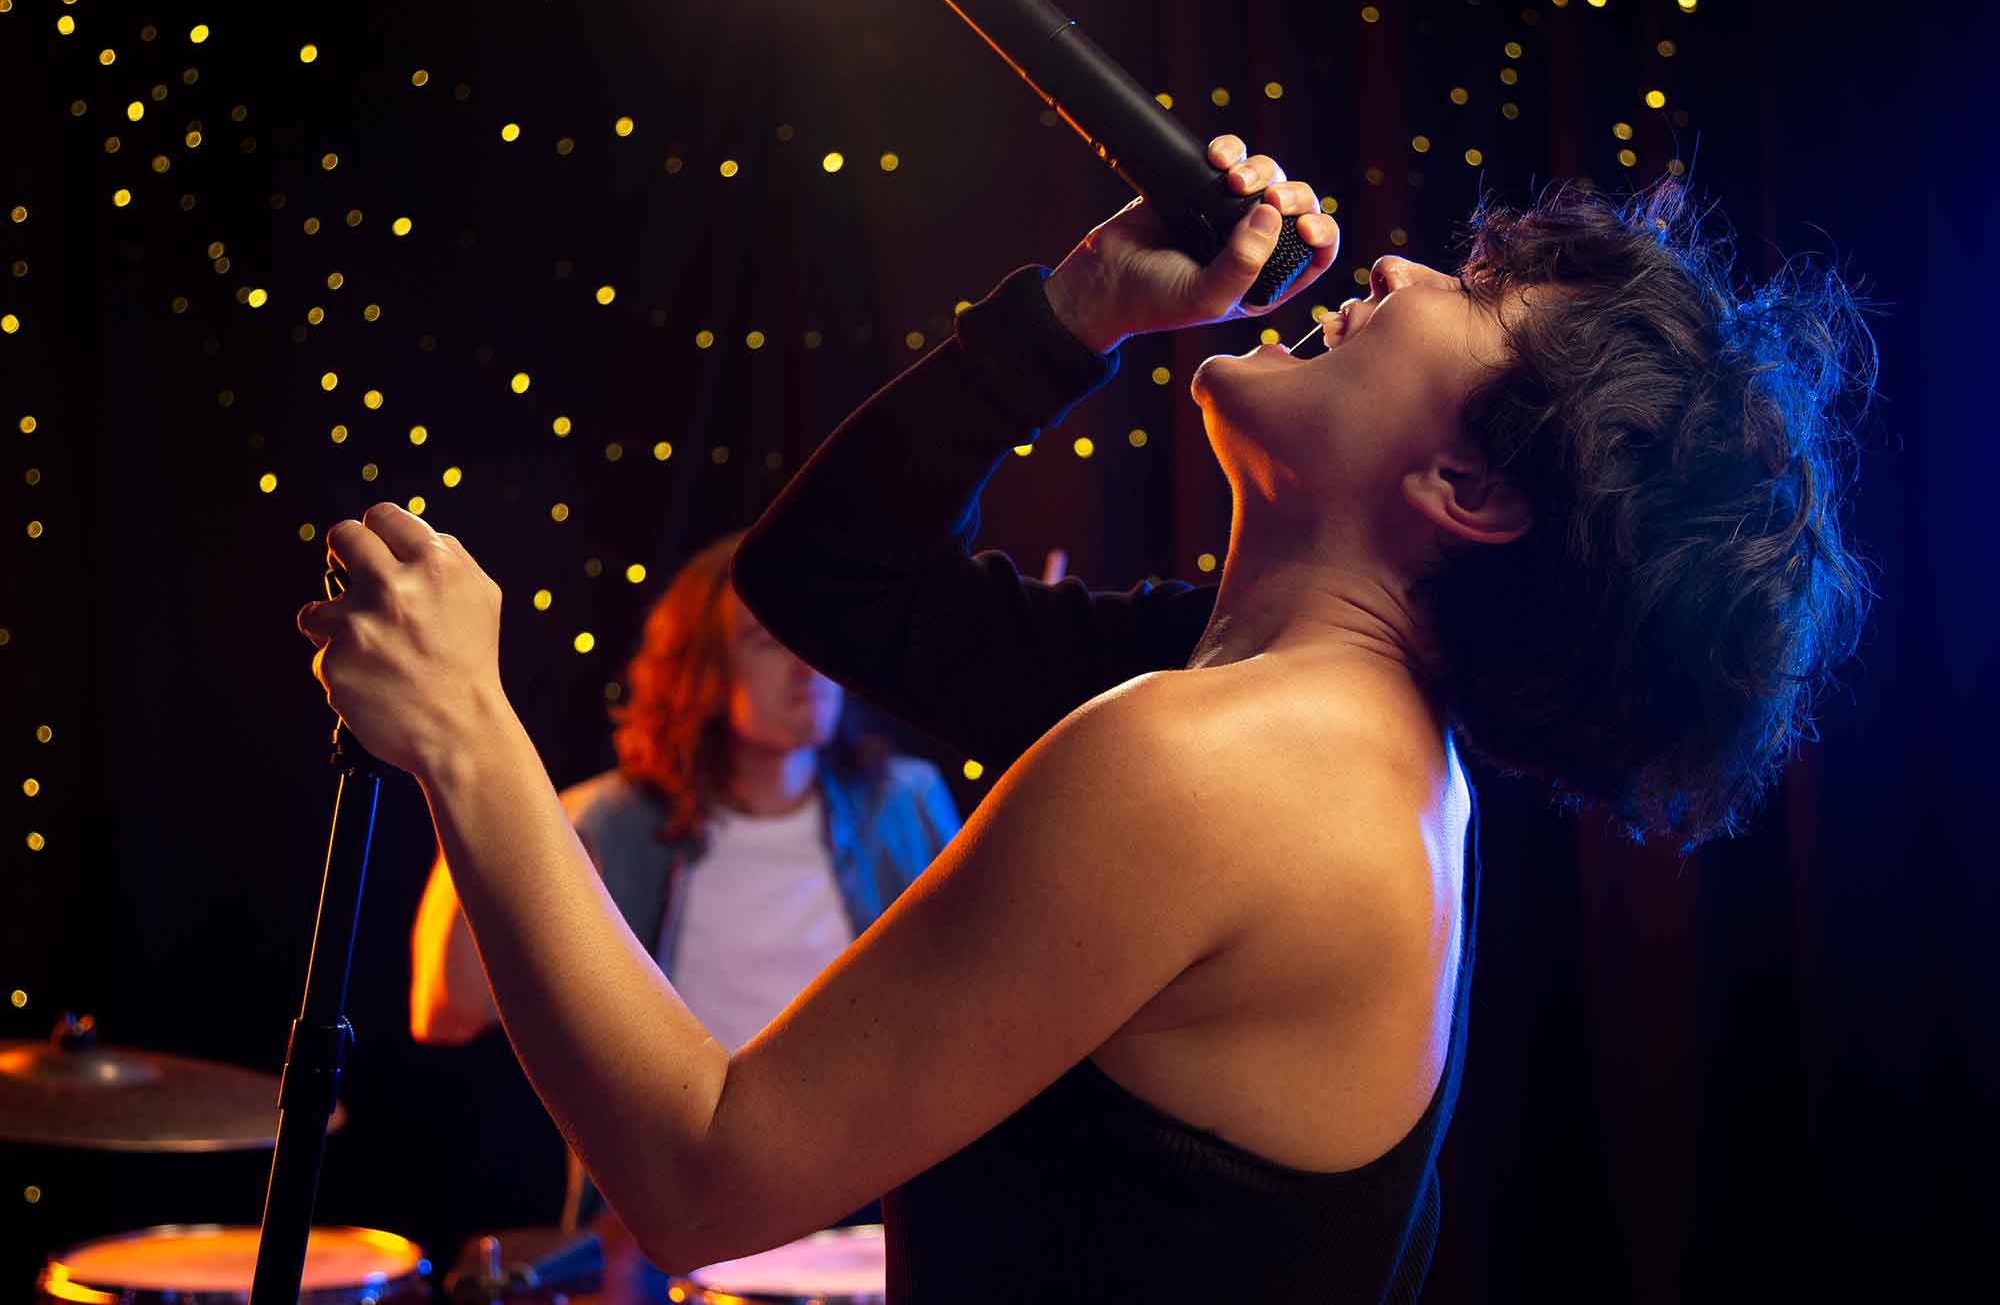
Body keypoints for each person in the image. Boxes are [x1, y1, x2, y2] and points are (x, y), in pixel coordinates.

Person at [299, 131, 1871, 1302]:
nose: (1393, 271)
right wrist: (1075, 312)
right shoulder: (1290, 714)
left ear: (1468, 486)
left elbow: (704, 1178)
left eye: (1468, 296)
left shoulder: (1212, 774)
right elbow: (831, 582)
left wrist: (464, 734)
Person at [406, 532, 962, 1228]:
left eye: (817, 632)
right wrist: (486, 788)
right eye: (769, 641)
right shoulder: (611, 823)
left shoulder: (904, 802)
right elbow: (446, 1011)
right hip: (680, 1226)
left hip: (869, 1225)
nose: (808, 665)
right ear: (702, 667)